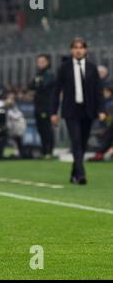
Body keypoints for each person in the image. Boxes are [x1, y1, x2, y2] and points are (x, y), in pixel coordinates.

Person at [51, 37, 106, 185]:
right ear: (71, 50)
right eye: (75, 47)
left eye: (81, 47)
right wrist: (53, 112)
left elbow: (98, 91)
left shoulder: (92, 68)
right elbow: (56, 91)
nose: (78, 50)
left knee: (82, 142)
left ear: (86, 50)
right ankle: (81, 175)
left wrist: (102, 110)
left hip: (88, 111)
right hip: (71, 110)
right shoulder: (64, 68)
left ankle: (74, 173)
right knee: (76, 141)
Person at [30, 54, 56, 159]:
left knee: (47, 129)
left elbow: (43, 86)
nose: (40, 64)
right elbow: (31, 85)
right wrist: (37, 84)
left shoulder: (50, 74)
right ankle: (44, 150)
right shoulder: (38, 74)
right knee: (40, 129)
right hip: (38, 105)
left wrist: (38, 84)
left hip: (46, 106)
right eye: (39, 62)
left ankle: (49, 151)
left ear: (47, 62)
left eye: (42, 61)